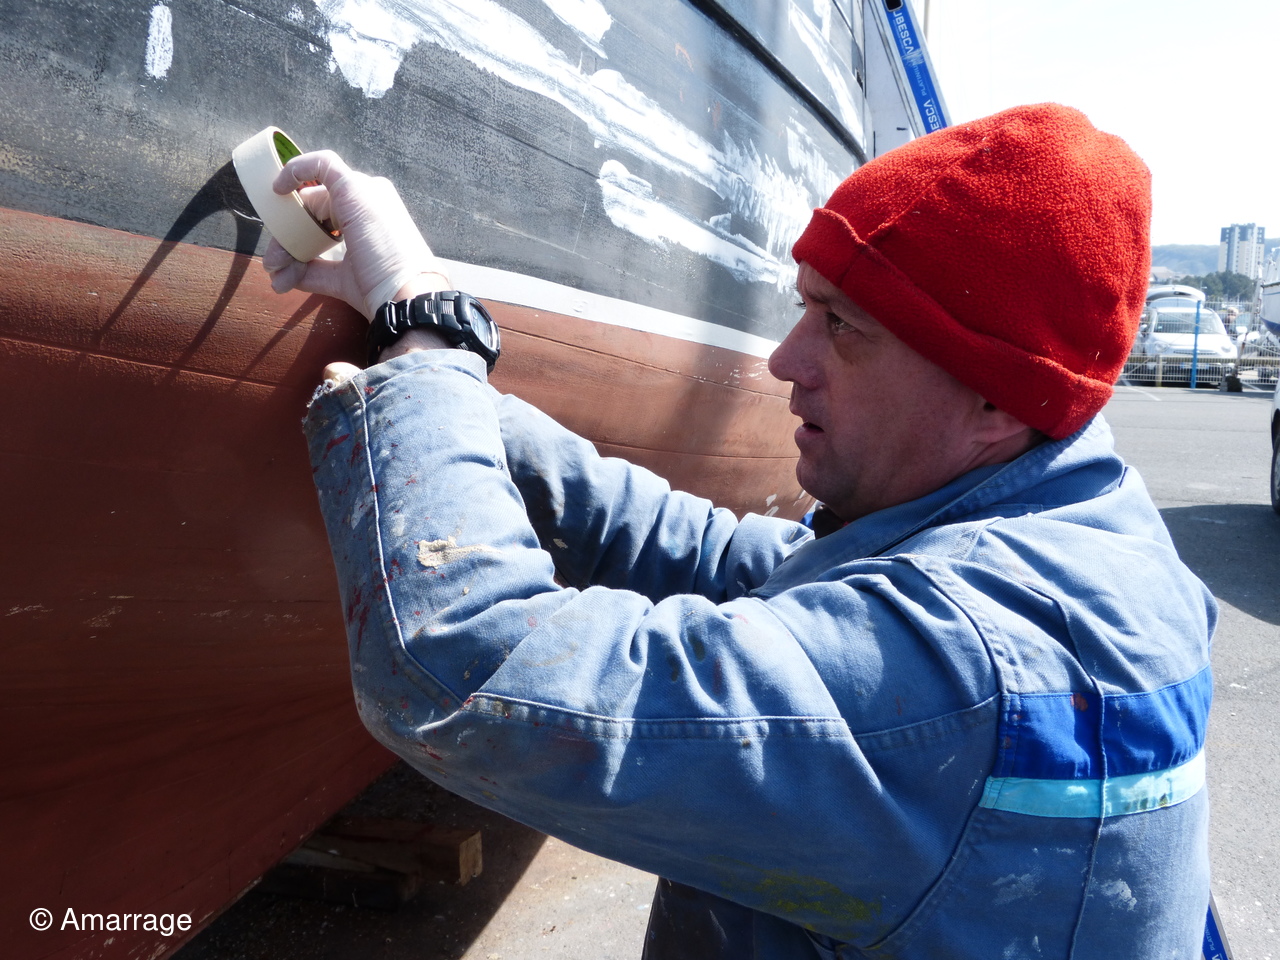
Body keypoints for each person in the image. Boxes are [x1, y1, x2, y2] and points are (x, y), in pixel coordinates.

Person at [264, 104, 1214, 959]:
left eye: (843, 326)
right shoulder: (1076, 536)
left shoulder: (965, 666)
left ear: (994, 398)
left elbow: (463, 671)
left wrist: (424, 333)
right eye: (805, 308)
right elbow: (726, 560)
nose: (784, 361)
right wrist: (455, 399)